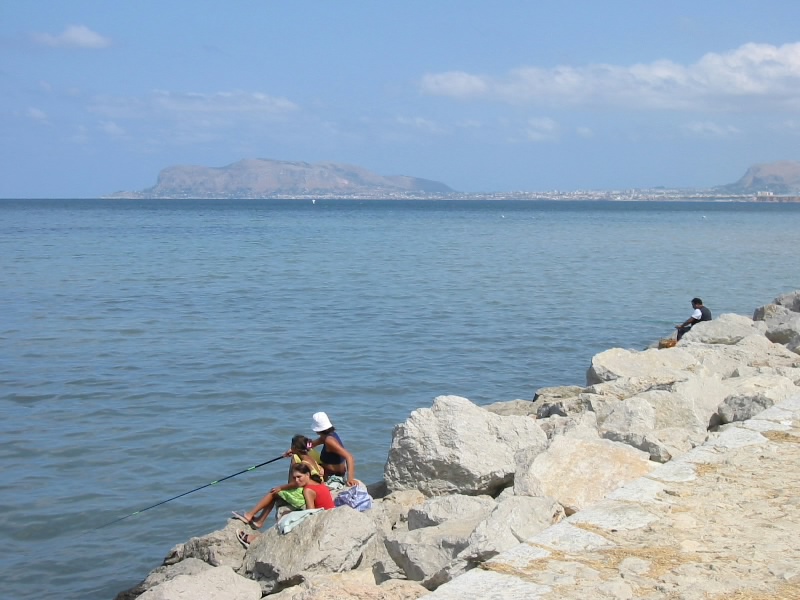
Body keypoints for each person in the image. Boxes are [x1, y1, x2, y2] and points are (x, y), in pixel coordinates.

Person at [231, 434, 323, 529]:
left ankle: (250, 515)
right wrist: (292, 454)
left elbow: (295, 483)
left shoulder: (302, 463)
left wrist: (280, 487)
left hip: (304, 496)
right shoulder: (310, 458)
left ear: (294, 447)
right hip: (312, 490)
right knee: (276, 492)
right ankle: (259, 521)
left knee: (273, 492)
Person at [237, 463, 333, 547]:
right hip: (329, 515)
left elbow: (310, 513)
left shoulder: (308, 490)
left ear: (307, 474)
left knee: (283, 520)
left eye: (299, 477)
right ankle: (259, 528)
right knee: (285, 514)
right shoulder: (320, 484)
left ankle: (256, 540)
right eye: (294, 478)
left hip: (322, 519)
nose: (296, 480)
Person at [310, 412, 356, 486]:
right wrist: (294, 450)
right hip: (328, 471)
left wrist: (350, 478)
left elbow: (349, 456)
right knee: (301, 454)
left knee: (298, 460)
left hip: (332, 476)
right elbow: (311, 445)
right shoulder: (327, 436)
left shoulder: (329, 441)